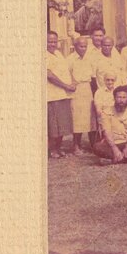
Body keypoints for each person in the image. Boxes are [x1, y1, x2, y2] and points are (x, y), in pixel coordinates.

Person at [93, 86, 127, 165]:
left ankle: (114, 160)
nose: (121, 100)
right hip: (113, 143)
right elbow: (107, 132)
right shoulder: (106, 112)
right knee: (97, 147)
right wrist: (114, 148)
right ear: (114, 98)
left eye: (124, 97)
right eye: (119, 97)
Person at [46, 30, 76, 159]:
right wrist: (66, 86)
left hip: (64, 94)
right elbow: (49, 75)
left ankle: (58, 147)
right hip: (53, 95)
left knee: (63, 123)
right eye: (49, 42)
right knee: (54, 125)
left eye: (54, 41)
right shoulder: (44, 55)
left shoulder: (58, 53)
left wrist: (73, 82)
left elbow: (66, 70)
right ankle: (52, 149)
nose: (52, 44)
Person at [66, 35, 96, 154]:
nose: (83, 48)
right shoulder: (70, 59)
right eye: (81, 46)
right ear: (75, 46)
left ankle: (93, 145)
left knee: (89, 117)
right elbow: (66, 73)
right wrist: (72, 82)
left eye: (85, 46)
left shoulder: (90, 58)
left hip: (87, 88)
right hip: (76, 90)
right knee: (77, 118)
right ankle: (76, 145)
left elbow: (93, 75)